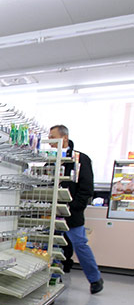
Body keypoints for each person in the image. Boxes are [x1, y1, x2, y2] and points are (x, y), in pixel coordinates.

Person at [48, 125, 103, 294]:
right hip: (53, 214)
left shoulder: (80, 159)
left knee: (80, 244)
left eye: (52, 137)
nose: (49, 141)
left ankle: (95, 279)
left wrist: (73, 208)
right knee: (53, 247)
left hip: (72, 214)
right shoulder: (50, 159)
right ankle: (54, 277)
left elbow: (86, 189)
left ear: (64, 138)